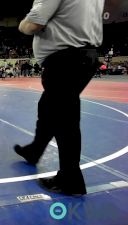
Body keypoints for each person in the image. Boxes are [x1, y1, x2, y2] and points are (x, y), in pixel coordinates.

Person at [14, 0, 104, 196]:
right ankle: (34, 151)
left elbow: (33, 24)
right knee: (49, 108)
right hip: (85, 55)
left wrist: (21, 24)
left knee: (65, 120)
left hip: (65, 59)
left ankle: (70, 180)